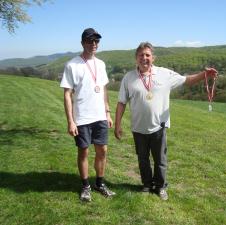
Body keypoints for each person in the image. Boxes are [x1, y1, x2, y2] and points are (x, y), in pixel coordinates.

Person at [114, 42, 217, 200]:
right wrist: (118, 125)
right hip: (138, 127)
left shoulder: (164, 74)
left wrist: (205, 75)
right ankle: (147, 185)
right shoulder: (129, 77)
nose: (144, 58)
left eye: (147, 55)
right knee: (143, 159)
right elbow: (121, 102)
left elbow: (186, 80)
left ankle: (161, 187)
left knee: (160, 159)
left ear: (153, 58)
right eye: (141, 55)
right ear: (136, 58)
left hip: (159, 127)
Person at [60, 28, 115, 202]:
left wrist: (107, 111)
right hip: (82, 117)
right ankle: (85, 186)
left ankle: (99, 183)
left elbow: (104, 88)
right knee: (83, 152)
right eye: (90, 41)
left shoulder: (101, 64)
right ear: (82, 42)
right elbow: (68, 94)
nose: (94, 44)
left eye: (96, 41)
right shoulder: (72, 65)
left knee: (102, 151)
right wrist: (71, 121)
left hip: (99, 116)